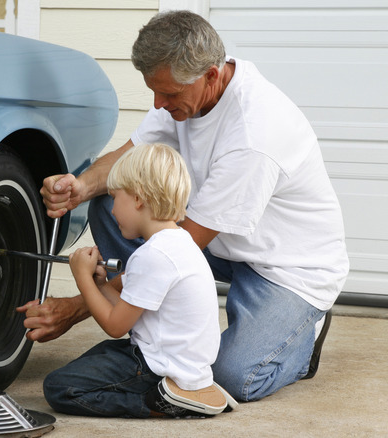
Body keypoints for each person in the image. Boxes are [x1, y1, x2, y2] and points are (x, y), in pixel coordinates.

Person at [18, 10, 349, 403]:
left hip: (285, 269)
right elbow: (128, 162)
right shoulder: (185, 97)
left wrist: (78, 304)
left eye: (169, 94)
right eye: (154, 91)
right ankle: (150, 315)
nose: (158, 104)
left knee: (231, 377)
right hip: (223, 243)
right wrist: (80, 186)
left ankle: (302, 344)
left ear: (211, 75)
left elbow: (179, 247)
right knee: (112, 202)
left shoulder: (254, 135)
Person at [42, 143, 233, 418]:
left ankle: (159, 403)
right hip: (178, 361)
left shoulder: (153, 256)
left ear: (139, 199)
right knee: (96, 358)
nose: (112, 210)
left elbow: (115, 325)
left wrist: (82, 277)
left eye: (115, 198)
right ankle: (182, 392)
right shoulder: (177, 243)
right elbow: (127, 307)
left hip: (160, 367)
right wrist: (99, 285)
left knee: (59, 386)